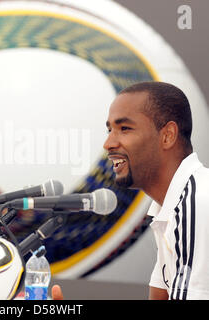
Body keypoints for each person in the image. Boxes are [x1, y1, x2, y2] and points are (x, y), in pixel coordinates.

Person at [52, 81, 209, 300]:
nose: (108, 143)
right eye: (110, 130)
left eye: (124, 128)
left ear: (168, 135)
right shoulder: (171, 207)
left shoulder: (196, 205)